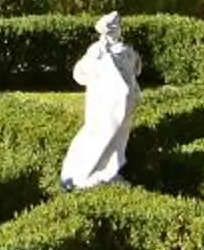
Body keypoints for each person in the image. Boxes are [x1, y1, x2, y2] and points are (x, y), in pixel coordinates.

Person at [60, 11, 143, 192]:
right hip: (106, 103)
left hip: (119, 103)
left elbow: (136, 70)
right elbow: (80, 74)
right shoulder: (103, 50)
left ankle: (106, 172)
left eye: (117, 26)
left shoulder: (122, 50)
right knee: (101, 135)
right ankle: (84, 174)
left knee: (114, 137)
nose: (116, 30)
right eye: (114, 27)